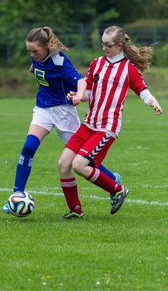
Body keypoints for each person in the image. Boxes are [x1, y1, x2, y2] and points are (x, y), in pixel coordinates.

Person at [2, 26, 120, 213]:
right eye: (29, 51)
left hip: (64, 113)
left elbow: (81, 81)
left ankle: (113, 180)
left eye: (35, 51)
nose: (32, 55)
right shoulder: (38, 59)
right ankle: (16, 195)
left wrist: (79, 96)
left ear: (46, 47)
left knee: (85, 160)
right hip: (43, 109)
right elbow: (39, 69)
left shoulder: (59, 61)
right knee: (29, 147)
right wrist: (35, 67)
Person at [58, 25, 163, 219]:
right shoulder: (96, 63)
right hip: (89, 123)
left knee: (79, 165)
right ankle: (76, 210)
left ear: (119, 46)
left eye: (108, 45)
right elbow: (88, 93)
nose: (104, 48)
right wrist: (77, 96)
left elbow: (142, 89)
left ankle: (117, 189)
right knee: (64, 163)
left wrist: (153, 102)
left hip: (107, 127)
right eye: (102, 44)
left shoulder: (128, 69)